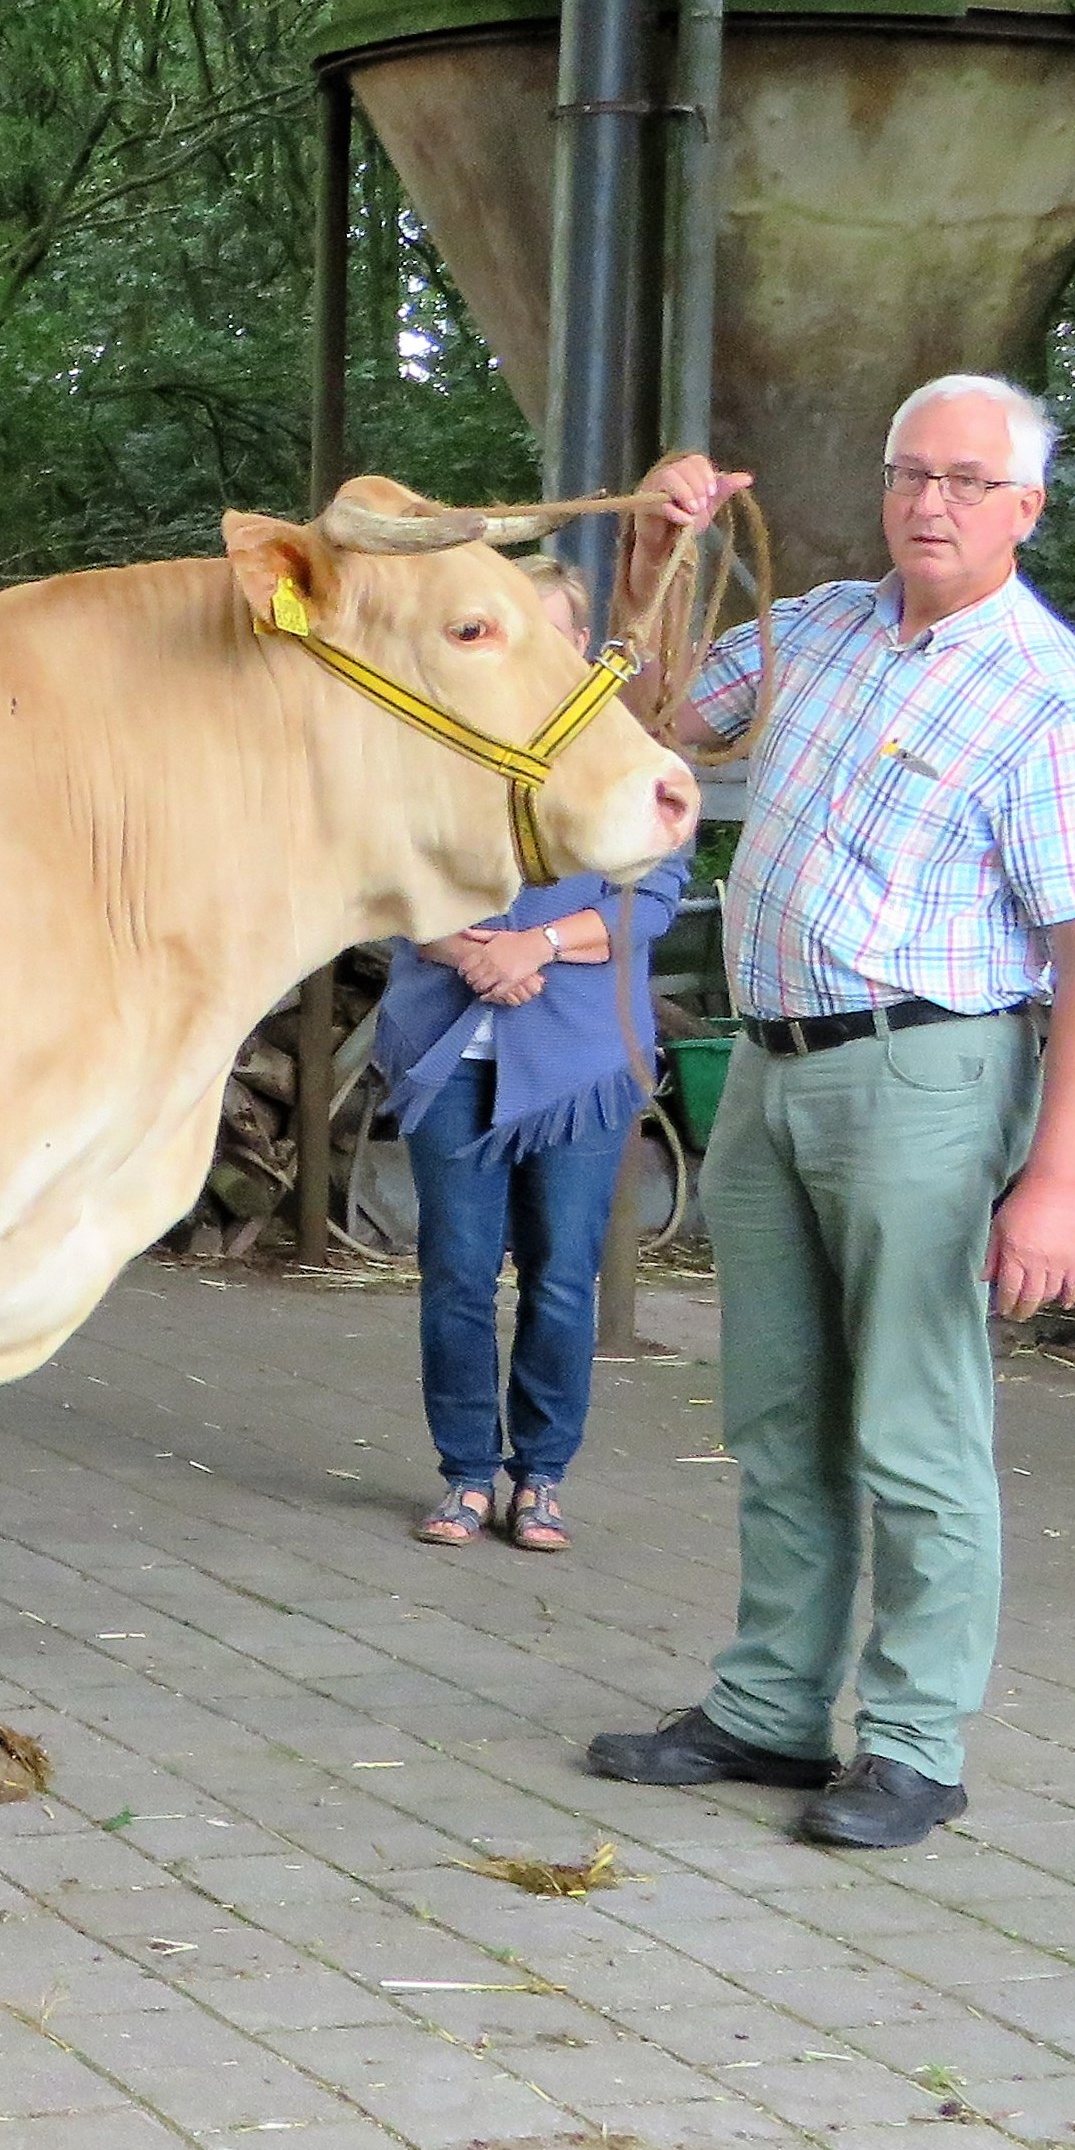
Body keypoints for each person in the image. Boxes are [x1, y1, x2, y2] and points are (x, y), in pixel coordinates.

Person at [587, 374, 1075, 1852]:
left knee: (912, 1427)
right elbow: (644, 716)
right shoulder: (822, 622)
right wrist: (654, 562)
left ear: (1025, 508)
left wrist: (1052, 1182)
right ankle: (772, 1707)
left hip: (929, 1074)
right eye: (912, 473)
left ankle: (910, 1745)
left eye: (969, 482)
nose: (930, 504)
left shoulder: (1052, 697)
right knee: (777, 1415)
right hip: (767, 1066)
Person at [376, 557, 690, 1557]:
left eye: (550, 632)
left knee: (563, 1276)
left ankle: (541, 1478)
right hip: (451, 1042)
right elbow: (390, 883)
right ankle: (467, 1475)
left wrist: (538, 945)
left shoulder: (619, 749)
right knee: (457, 1272)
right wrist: (473, 951)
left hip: (579, 1055)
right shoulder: (431, 745)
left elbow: (652, 897)